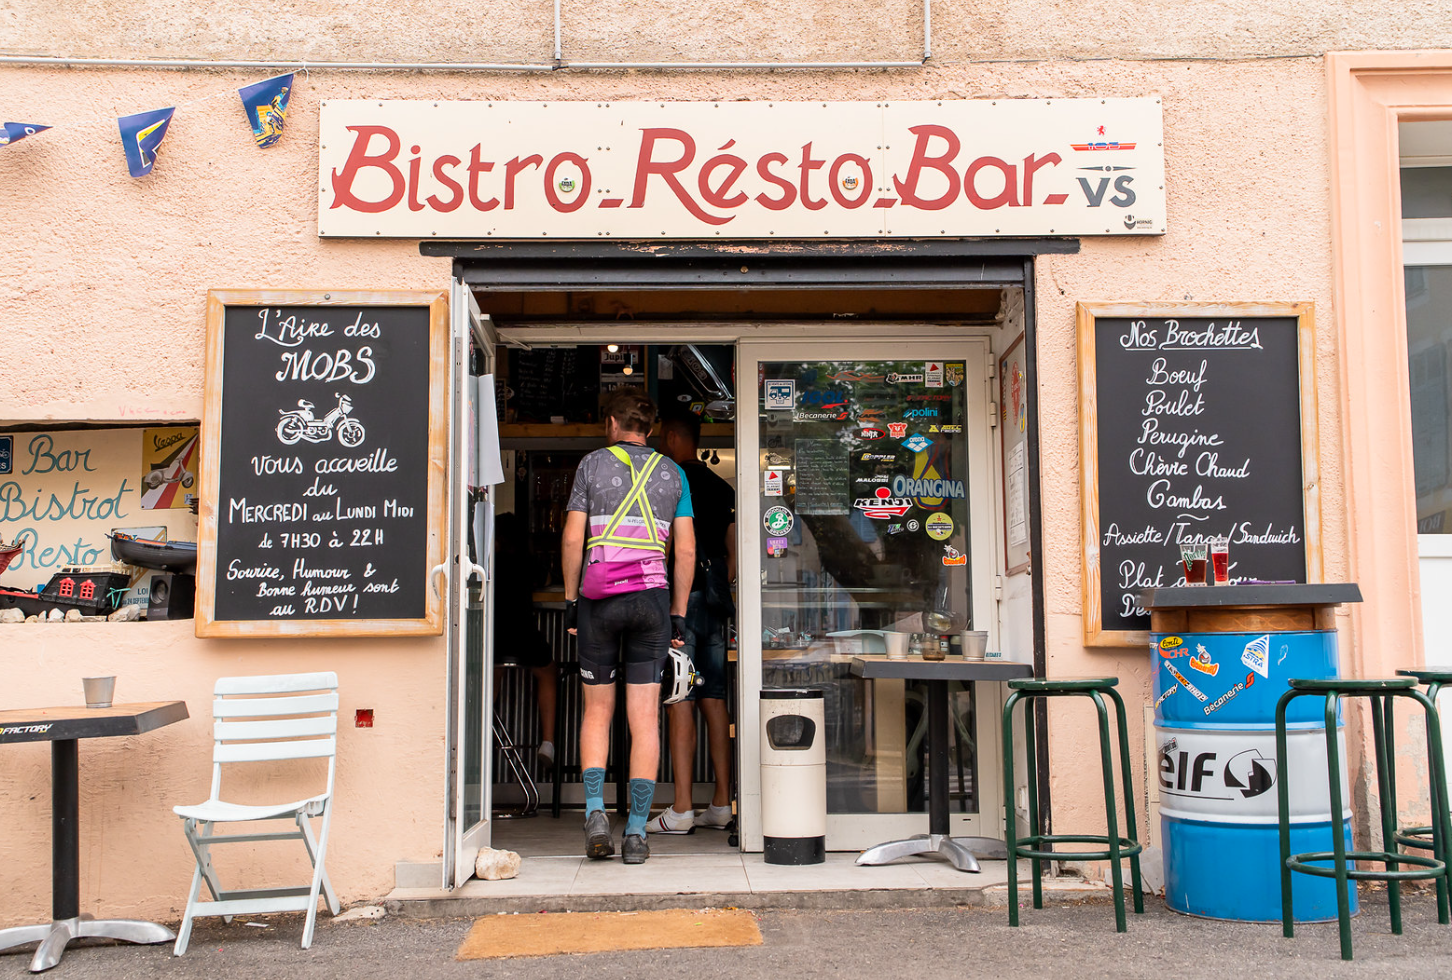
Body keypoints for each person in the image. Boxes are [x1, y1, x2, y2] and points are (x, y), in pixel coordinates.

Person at [562, 387, 696, 865]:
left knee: (597, 712)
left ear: (612, 425)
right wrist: (678, 612)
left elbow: (573, 538)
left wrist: (571, 600)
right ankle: (637, 832)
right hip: (651, 602)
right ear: (651, 430)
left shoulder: (591, 465)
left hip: (599, 601)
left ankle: (595, 814)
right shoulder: (674, 472)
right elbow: (685, 550)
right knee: (644, 720)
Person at [647, 411, 737, 835]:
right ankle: (721, 802)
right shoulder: (722, 487)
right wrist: (719, 584)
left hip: (682, 603)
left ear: (670, 437)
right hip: (715, 602)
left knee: (680, 695)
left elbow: (667, 547)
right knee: (713, 697)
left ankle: (682, 807)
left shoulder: (670, 482)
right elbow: (733, 552)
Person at [492, 510, 558, 771]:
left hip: (495, 640)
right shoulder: (526, 562)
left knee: (492, 671)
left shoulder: (487, 564)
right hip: (524, 637)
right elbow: (548, 579)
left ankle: (481, 733)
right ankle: (548, 742)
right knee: (548, 672)